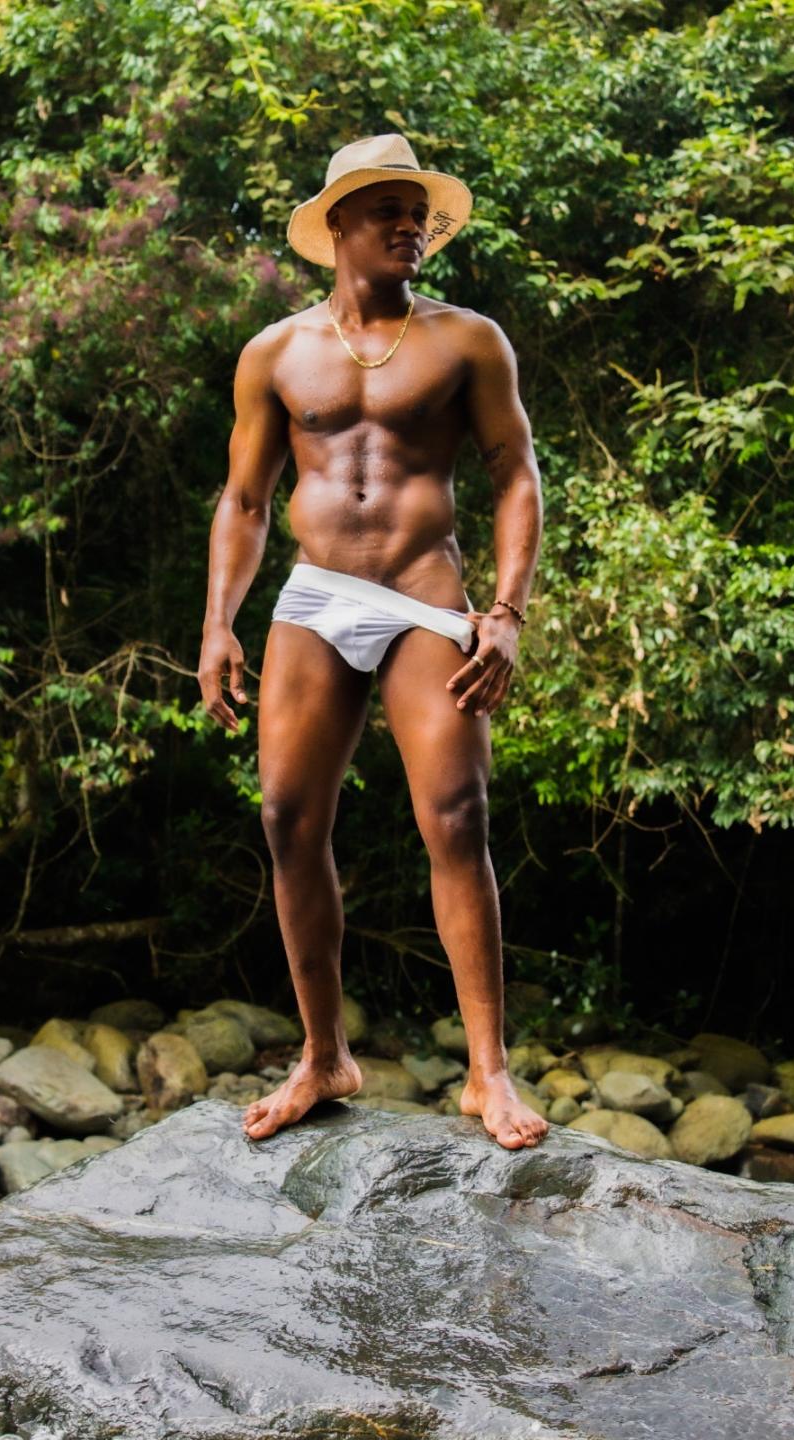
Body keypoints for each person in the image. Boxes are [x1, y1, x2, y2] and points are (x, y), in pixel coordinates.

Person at [199, 134, 548, 1151]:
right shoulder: (275, 353)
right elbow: (243, 500)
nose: (410, 227)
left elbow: (514, 475)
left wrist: (505, 612)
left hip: (424, 594)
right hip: (316, 595)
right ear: (337, 224)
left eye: (418, 213)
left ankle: (487, 1074)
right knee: (284, 817)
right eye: (388, 210)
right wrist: (218, 622)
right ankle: (323, 1057)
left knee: (456, 815)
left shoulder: (467, 340)